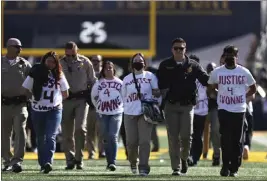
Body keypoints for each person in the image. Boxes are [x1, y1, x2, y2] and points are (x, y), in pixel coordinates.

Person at [157, 38, 209, 175]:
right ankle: (176, 167)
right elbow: (158, 83)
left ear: (186, 49)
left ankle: (184, 158)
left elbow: (205, 79)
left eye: (181, 48)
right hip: (171, 105)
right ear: (171, 49)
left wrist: (219, 77)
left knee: (186, 136)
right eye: (176, 48)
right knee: (173, 137)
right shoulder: (165, 65)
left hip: (187, 106)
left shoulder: (193, 65)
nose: (179, 50)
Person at [208, 45, 257, 177]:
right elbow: (210, 87)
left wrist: (242, 96)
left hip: (239, 109)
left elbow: (253, 88)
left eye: (232, 56)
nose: (229, 58)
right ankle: (225, 165)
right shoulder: (217, 72)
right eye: (227, 56)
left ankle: (234, 167)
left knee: (236, 140)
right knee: (225, 138)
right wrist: (217, 93)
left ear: (236, 56)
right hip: (224, 108)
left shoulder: (243, 71)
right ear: (223, 57)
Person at [22, 51, 69, 174]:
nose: (51, 63)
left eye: (53, 61)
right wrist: (33, 99)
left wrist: (57, 101)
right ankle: (42, 163)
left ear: (56, 63)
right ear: (44, 61)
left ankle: (48, 161)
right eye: (48, 61)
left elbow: (65, 93)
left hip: (54, 109)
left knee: (50, 136)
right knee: (40, 137)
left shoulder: (59, 74)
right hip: (38, 109)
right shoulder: (35, 71)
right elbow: (26, 89)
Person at [122, 53, 161, 176]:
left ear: (145, 63)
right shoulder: (127, 79)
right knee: (131, 142)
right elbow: (123, 97)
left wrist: (156, 93)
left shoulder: (151, 76)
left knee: (144, 141)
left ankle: (144, 166)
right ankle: (133, 162)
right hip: (129, 112)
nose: (138, 62)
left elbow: (157, 93)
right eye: (136, 60)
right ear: (131, 63)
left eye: (140, 60)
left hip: (145, 112)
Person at [60, 41, 96, 170]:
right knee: (67, 131)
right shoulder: (60, 62)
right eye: (68, 55)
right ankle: (70, 159)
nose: (70, 58)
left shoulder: (85, 62)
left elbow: (93, 80)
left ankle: (79, 159)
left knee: (80, 129)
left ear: (77, 51)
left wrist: (92, 97)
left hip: (81, 99)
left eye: (73, 55)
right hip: (66, 100)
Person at [1, 38, 32, 173]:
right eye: (17, 46)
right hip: (3, 104)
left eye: (20, 47)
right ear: (8, 47)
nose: (20, 49)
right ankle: (6, 160)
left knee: (20, 130)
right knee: (4, 134)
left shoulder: (25, 64)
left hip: (20, 104)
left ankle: (17, 161)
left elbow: (32, 82)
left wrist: (30, 98)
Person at [91, 61, 123, 171]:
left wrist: (119, 106)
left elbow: (124, 96)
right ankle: (109, 161)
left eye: (110, 67)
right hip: (102, 113)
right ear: (103, 70)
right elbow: (94, 96)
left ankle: (112, 162)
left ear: (114, 69)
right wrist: (100, 107)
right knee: (105, 137)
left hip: (116, 112)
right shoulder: (99, 83)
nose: (109, 69)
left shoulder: (120, 82)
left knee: (113, 136)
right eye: (106, 68)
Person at [187, 55, 209, 166]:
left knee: (197, 134)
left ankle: (194, 157)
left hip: (201, 110)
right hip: (188, 108)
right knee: (187, 134)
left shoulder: (202, 75)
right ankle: (187, 155)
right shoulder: (185, 75)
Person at [87, 55, 105, 159]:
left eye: (97, 60)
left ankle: (102, 151)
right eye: (93, 60)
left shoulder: (104, 75)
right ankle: (91, 152)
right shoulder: (88, 74)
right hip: (90, 107)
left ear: (101, 62)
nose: (95, 62)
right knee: (90, 131)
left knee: (102, 132)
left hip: (102, 108)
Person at [206, 61, 221, 166]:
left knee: (215, 131)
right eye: (209, 70)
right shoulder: (204, 78)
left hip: (215, 107)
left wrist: (213, 90)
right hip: (202, 108)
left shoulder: (219, 79)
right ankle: (192, 154)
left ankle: (216, 154)